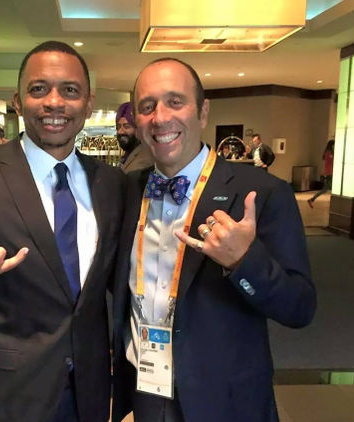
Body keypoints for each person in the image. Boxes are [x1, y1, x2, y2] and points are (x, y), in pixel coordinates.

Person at [0, 41, 125, 422]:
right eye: (38, 89)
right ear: (18, 101)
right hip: (4, 395)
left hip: (89, 392)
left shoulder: (111, 183)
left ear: (88, 103)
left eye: (69, 90)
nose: (54, 102)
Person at [112, 58, 316, 422]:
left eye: (176, 102)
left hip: (226, 400)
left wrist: (243, 262)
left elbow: (300, 308)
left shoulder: (261, 192)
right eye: (147, 106)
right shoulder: (125, 190)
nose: (160, 117)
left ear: (202, 112)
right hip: (145, 392)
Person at [116, 102, 154, 173]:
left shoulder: (147, 156)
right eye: (118, 127)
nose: (121, 131)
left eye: (126, 126)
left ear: (138, 128)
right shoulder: (128, 154)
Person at [308, 139, 334, 208]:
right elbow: (332, 160)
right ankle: (312, 199)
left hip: (329, 173)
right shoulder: (329, 153)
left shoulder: (327, 152)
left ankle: (312, 199)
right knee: (326, 189)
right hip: (329, 173)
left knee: (326, 189)